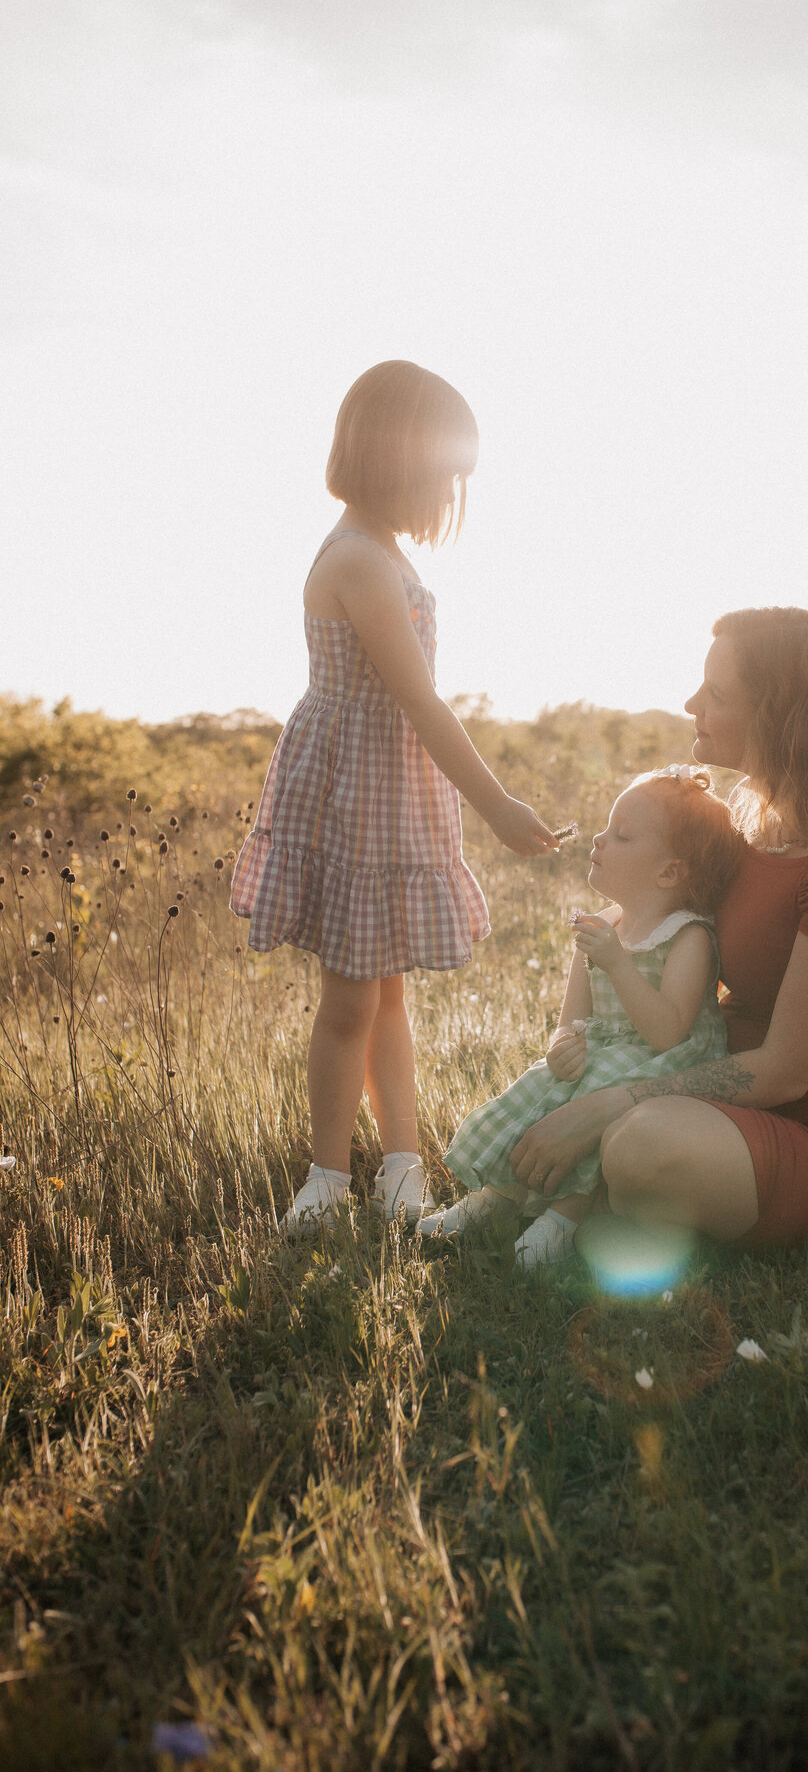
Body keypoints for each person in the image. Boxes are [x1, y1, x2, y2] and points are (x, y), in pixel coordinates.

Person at [506, 607, 808, 1246]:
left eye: (717, 694)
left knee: (639, 1144)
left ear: (782, 718)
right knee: (611, 1121)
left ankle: (628, 1188)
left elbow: (785, 1071)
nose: (691, 702)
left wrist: (611, 1103)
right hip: (750, 1117)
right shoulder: (754, 822)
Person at [230, 360, 560, 1230]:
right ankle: (328, 1181)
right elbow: (418, 701)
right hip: (357, 794)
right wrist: (497, 809)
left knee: (385, 995)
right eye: (444, 476)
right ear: (397, 460)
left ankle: (402, 1166)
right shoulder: (359, 562)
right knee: (350, 999)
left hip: (389, 785)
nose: (449, 496)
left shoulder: (382, 553)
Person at [419, 767, 744, 1266]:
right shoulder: (602, 926)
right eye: (607, 827)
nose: (599, 838)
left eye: (622, 835)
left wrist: (616, 962)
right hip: (606, 1054)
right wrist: (561, 1045)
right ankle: (496, 1197)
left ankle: (567, 1217)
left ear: (669, 873)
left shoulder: (688, 936)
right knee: (542, 1087)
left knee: (597, 1091)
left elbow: (667, 1032)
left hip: (667, 1064)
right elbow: (572, 1019)